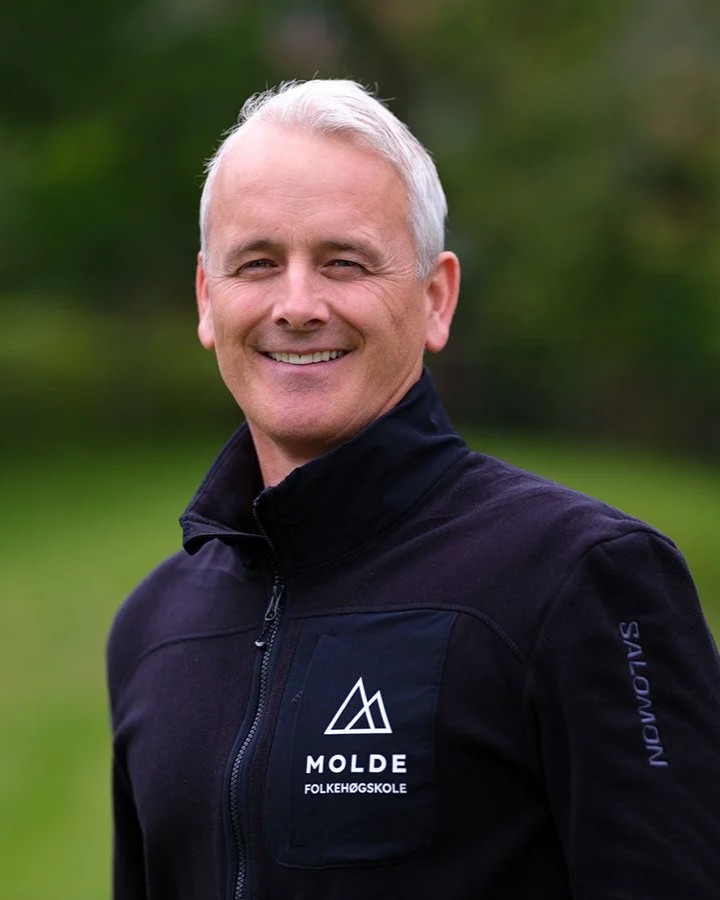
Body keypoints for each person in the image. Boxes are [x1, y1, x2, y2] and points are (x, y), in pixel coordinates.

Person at [107, 78, 720, 900]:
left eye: (344, 262)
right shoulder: (154, 628)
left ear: (436, 299)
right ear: (206, 299)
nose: (297, 305)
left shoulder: (581, 579)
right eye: (257, 263)